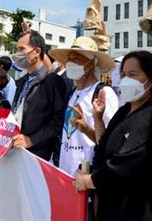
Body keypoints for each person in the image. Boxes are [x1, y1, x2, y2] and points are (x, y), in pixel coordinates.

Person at [75, 50, 152, 221]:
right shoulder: (124, 110)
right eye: (123, 74)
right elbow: (105, 146)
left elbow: (125, 165)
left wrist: (89, 181)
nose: (126, 80)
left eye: (133, 75)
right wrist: (97, 120)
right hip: (110, 206)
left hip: (135, 209)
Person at [48, 36, 118, 176]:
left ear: (91, 63)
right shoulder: (73, 93)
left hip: (86, 176)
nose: (71, 63)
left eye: (77, 58)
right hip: (65, 173)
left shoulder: (103, 94)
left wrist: (86, 129)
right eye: (69, 59)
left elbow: (110, 142)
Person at [11, 30, 67, 161]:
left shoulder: (52, 81)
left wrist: (32, 140)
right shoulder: (21, 81)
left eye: (21, 49)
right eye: (17, 49)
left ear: (36, 51)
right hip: (15, 149)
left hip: (36, 156)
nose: (18, 54)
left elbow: (59, 120)